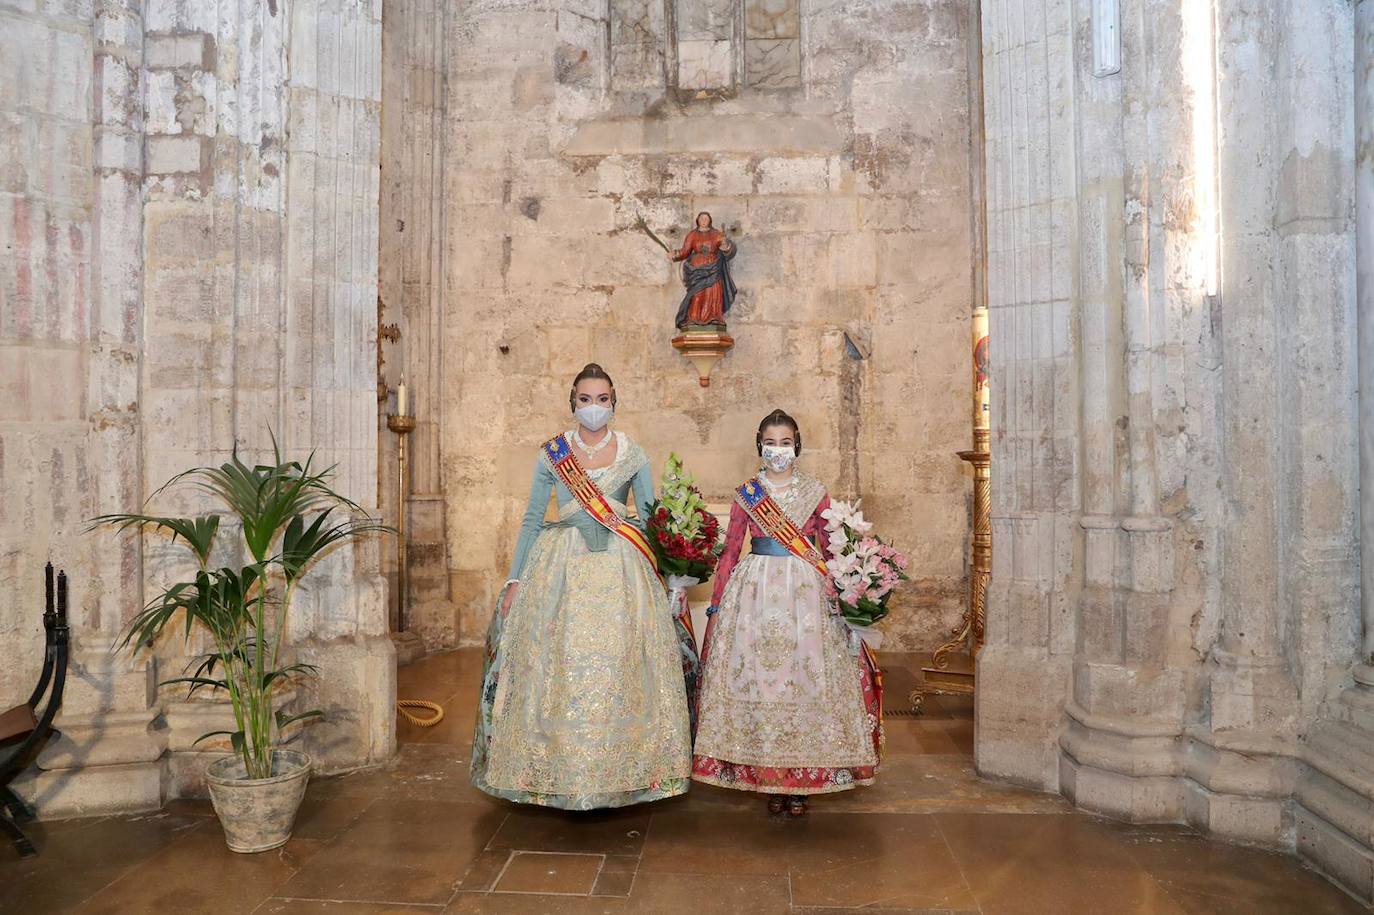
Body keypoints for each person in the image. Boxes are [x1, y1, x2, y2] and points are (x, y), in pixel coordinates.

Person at [470, 364, 692, 809]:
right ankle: (560, 772)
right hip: (561, 567)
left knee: (620, 664)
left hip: (624, 568)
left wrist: (669, 577)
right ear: (573, 403)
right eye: (586, 399)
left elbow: (650, 519)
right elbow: (534, 517)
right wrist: (515, 579)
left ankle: (624, 771)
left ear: (615, 402)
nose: (594, 408)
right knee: (560, 664)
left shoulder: (633, 452)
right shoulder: (553, 454)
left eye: (603, 399)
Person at [692, 409, 882, 816]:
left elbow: (831, 549)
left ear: (797, 446)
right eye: (770, 442)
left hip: (805, 597)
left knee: (803, 679)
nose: (777, 450)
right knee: (762, 683)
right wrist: (717, 604)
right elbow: (730, 550)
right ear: (759, 445)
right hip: (754, 594)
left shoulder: (816, 492)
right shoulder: (746, 493)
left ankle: (803, 784)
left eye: (785, 442)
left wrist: (847, 597)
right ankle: (768, 779)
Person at [670, 211, 737, 328]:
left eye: (706, 219)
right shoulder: (692, 235)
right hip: (697, 270)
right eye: (702, 218)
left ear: (710, 220)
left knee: (713, 292)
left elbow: (728, 251)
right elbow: (685, 252)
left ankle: (714, 317)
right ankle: (694, 317)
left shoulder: (717, 234)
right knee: (697, 294)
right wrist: (675, 254)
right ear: (698, 220)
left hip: (714, 269)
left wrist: (726, 246)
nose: (704, 221)